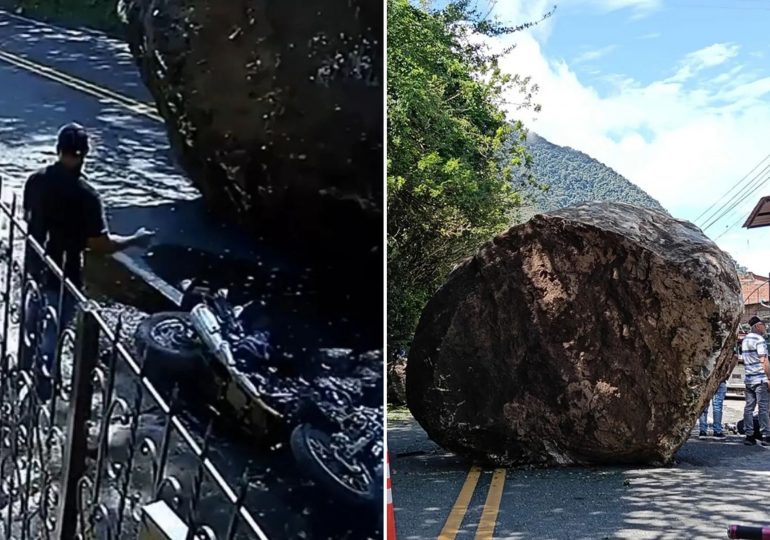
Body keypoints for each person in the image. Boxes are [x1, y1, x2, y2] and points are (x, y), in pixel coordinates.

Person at [21, 122, 155, 400]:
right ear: (85, 154)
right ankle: (43, 396)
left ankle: (19, 373)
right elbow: (100, 244)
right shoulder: (86, 196)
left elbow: (29, 219)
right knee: (52, 338)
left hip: (35, 270)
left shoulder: (35, 180)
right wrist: (134, 239)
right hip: (64, 276)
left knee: (31, 327)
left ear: (58, 149)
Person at [741, 315, 770, 445]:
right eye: (764, 325)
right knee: (763, 408)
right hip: (760, 379)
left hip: (749, 378)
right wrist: (769, 377)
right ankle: (766, 435)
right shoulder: (759, 340)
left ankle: (749, 435)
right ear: (757, 326)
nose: (765, 327)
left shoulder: (745, 340)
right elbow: (763, 360)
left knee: (749, 408)